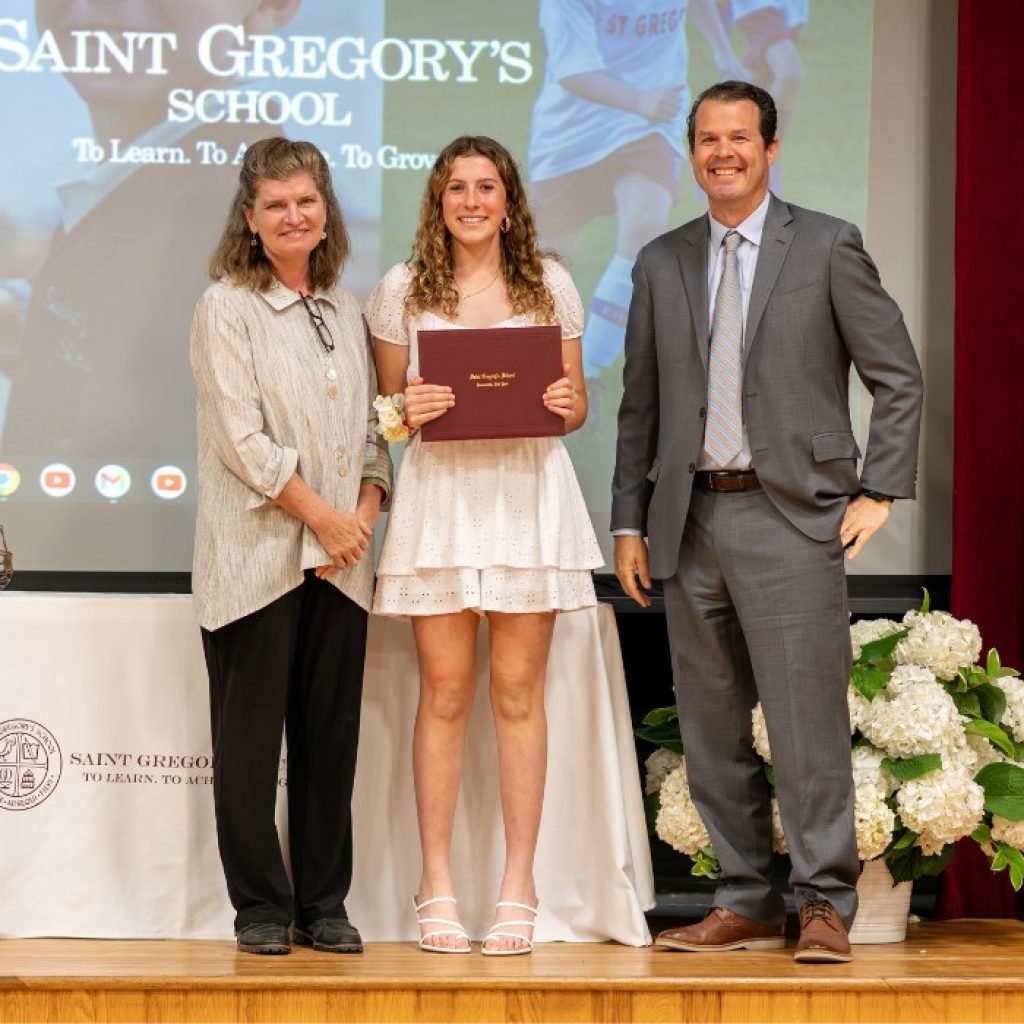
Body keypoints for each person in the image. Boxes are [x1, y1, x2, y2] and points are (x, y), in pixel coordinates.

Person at [612, 81, 922, 963]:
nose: (723, 152)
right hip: (687, 524)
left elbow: (896, 375)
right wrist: (629, 523)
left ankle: (823, 904)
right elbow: (641, 407)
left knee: (805, 727)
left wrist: (878, 489)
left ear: (770, 148)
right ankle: (743, 899)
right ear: (692, 150)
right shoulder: (661, 260)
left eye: (739, 138)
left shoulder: (826, 245)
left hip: (792, 521)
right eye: (708, 139)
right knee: (712, 734)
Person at [366, 135, 603, 955]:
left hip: (527, 496)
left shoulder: (551, 282)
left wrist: (570, 399)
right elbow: (385, 415)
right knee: (442, 693)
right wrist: (410, 407)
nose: (472, 201)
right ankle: (435, 882)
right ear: (438, 200)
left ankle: (518, 884)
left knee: (515, 696)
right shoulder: (400, 288)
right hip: (441, 501)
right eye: (457, 187)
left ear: (509, 200)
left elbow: (572, 410)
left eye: (487, 187)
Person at [191, 137, 391, 955]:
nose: (293, 215)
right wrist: (323, 515)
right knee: (247, 750)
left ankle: (324, 903)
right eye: (276, 204)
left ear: (325, 210)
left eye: (305, 201)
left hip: (343, 563)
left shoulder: (348, 308)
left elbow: (380, 434)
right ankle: (262, 910)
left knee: (329, 741)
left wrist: (364, 516)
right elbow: (243, 440)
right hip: (256, 562)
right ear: (250, 217)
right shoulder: (225, 307)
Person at [528, 0, 744, 383]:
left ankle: (589, 373)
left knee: (644, 223)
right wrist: (640, 100)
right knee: (552, 263)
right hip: (572, 131)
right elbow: (572, 72)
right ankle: (541, 374)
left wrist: (723, 51)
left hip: (650, 125)